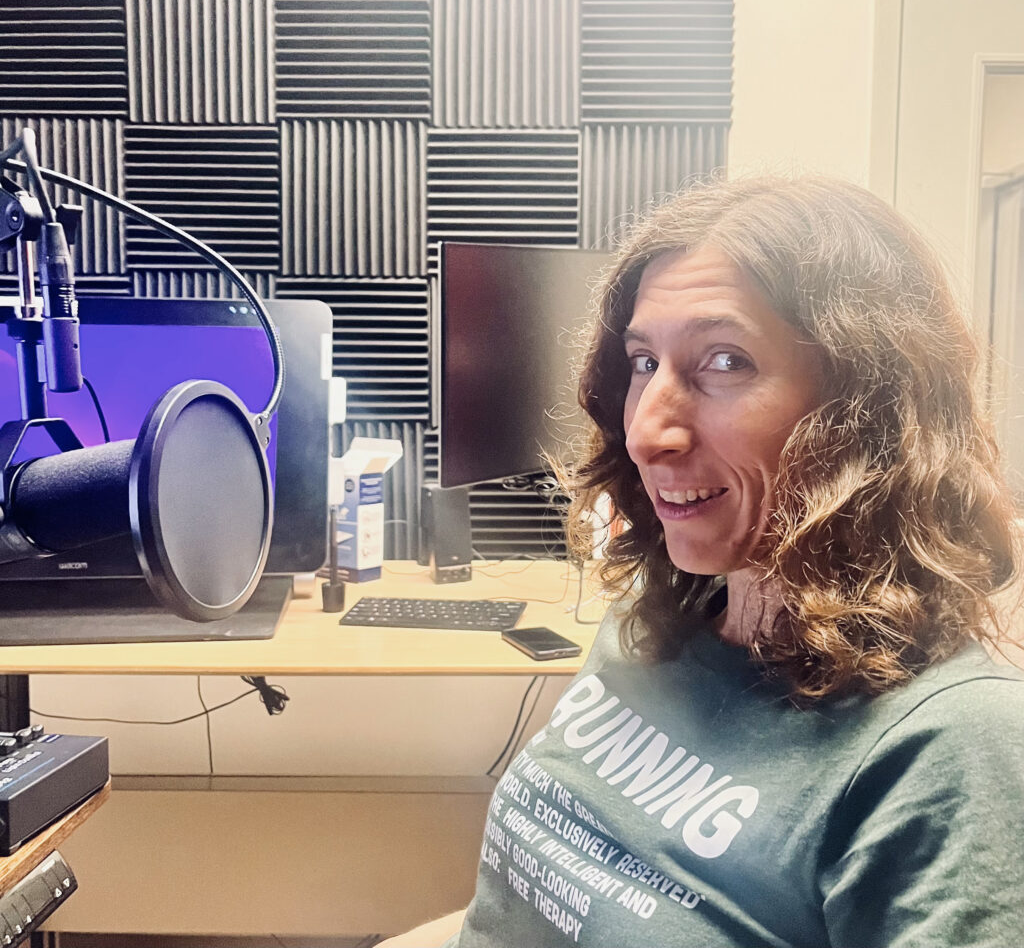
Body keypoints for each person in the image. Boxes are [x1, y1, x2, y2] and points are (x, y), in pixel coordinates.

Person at [382, 174, 1024, 947]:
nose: (649, 432)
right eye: (643, 363)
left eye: (724, 362)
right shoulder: (662, 611)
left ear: (868, 410)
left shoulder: (951, 745)